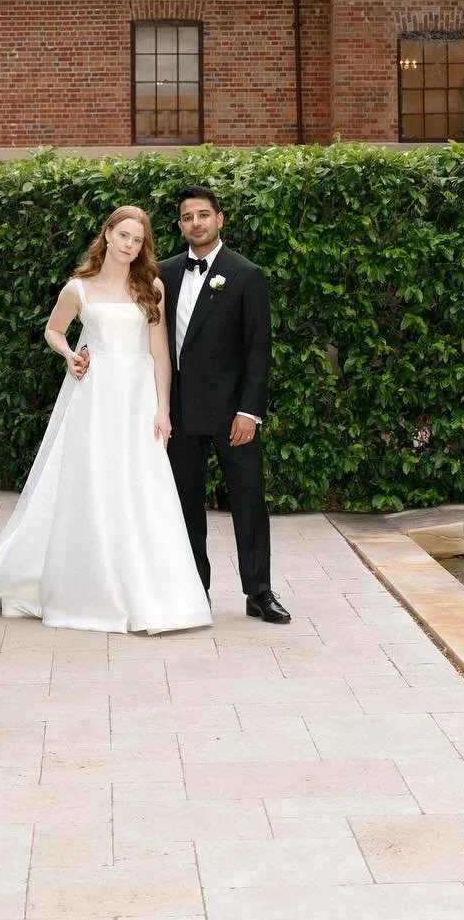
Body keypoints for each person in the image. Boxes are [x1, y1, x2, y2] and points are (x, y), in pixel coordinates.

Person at [0, 205, 211, 633]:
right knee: (94, 485)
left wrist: (163, 409)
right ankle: (93, 589)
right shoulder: (78, 288)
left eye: (138, 240)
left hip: (138, 401)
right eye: (123, 235)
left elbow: (161, 352)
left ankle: (149, 591)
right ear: (107, 235)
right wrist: (70, 355)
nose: (130, 245)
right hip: (96, 398)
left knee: (143, 487)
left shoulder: (152, 287)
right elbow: (54, 330)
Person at [160, 185, 290, 624]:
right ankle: (195, 591)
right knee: (184, 502)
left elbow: (258, 350)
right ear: (179, 225)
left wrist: (249, 411)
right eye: (187, 217)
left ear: (220, 218)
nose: (195, 222)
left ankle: (259, 592)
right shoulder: (165, 273)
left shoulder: (246, 274)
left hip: (234, 414)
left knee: (249, 501)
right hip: (178, 413)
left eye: (203, 214)